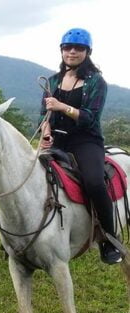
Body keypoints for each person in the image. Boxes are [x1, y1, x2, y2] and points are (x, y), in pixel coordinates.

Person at [40, 27, 122, 264]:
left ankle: (109, 239)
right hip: (57, 139)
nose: (72, 52)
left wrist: (61, 107)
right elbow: (43, 114)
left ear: (87, 52)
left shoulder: (96, 81)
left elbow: (90, 117)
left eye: (78, 48)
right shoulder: (53, 80)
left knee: (95, 183)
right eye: (68, 48)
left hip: (85, 141)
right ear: (62, 51)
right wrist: (46, 132)